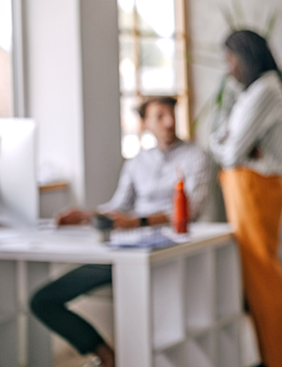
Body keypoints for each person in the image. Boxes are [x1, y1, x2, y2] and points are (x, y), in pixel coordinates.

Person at [30, 96, 211, 367]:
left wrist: (137, 222)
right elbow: (118, 207)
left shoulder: (195, 156)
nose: (170, 121)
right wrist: (86, 215)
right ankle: (105, 356)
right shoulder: (137, 162)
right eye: (160, 116)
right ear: (144, 123)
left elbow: (191, 210)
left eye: (172, 114)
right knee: (43, 301)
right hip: (127, 251)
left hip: (168, 252)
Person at [209, 29, 282, 367]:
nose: (228, 68)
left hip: (256, 189)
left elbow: (228, 152)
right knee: (255, 279)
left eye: (231, 58)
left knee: (263, 277)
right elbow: (222, 139)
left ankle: (277, 361)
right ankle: (268, 357)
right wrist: (229, 143)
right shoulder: (250, 92)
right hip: (246, 187)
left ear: (245, 56)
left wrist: (229, 144)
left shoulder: (265, 90)